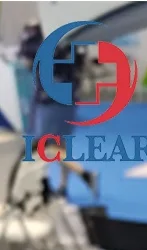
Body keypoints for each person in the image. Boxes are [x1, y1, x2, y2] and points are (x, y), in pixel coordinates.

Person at [18, 21, 99, 198]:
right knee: (59, 144)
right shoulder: (73, 35)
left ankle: (82, 174)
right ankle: (61, 185)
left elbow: (27, 60)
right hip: (67, 97)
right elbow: (80, 66)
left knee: (43, 144)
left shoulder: (38, 37)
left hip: (50, 100)